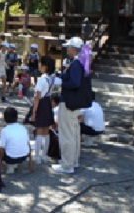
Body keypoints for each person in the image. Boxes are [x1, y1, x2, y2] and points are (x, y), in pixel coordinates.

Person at [52, 37, 85, 174]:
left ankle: (67, 165)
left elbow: (75, 83)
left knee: (67, 134)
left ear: (73, 48)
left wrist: (61, 83)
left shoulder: (76, 64)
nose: (67, 49)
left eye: (68, 47)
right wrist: (61, 76)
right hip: (75, 103)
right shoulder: (80, 63)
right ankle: (73, 161)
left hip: (68, 102)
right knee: (74, 132)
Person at [32, 56, 56, 164]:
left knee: (39, 130)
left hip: (41, 103)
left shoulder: (41, 79)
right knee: (46, 130)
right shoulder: (51, 78)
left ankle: (37, 156)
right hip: (48, 103)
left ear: (44, 66)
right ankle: (44, 155)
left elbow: (37, 96)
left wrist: (34, 112)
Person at [0, 107, 31, 174]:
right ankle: (15, 164)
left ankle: (10, 165)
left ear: (5, 118)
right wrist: (30, 161)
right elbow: (28, 144)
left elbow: (2, 149)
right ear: (16, 117)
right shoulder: (23, 128)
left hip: (10, 157)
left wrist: (0, 163)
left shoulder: (4, 130)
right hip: (23, 156)